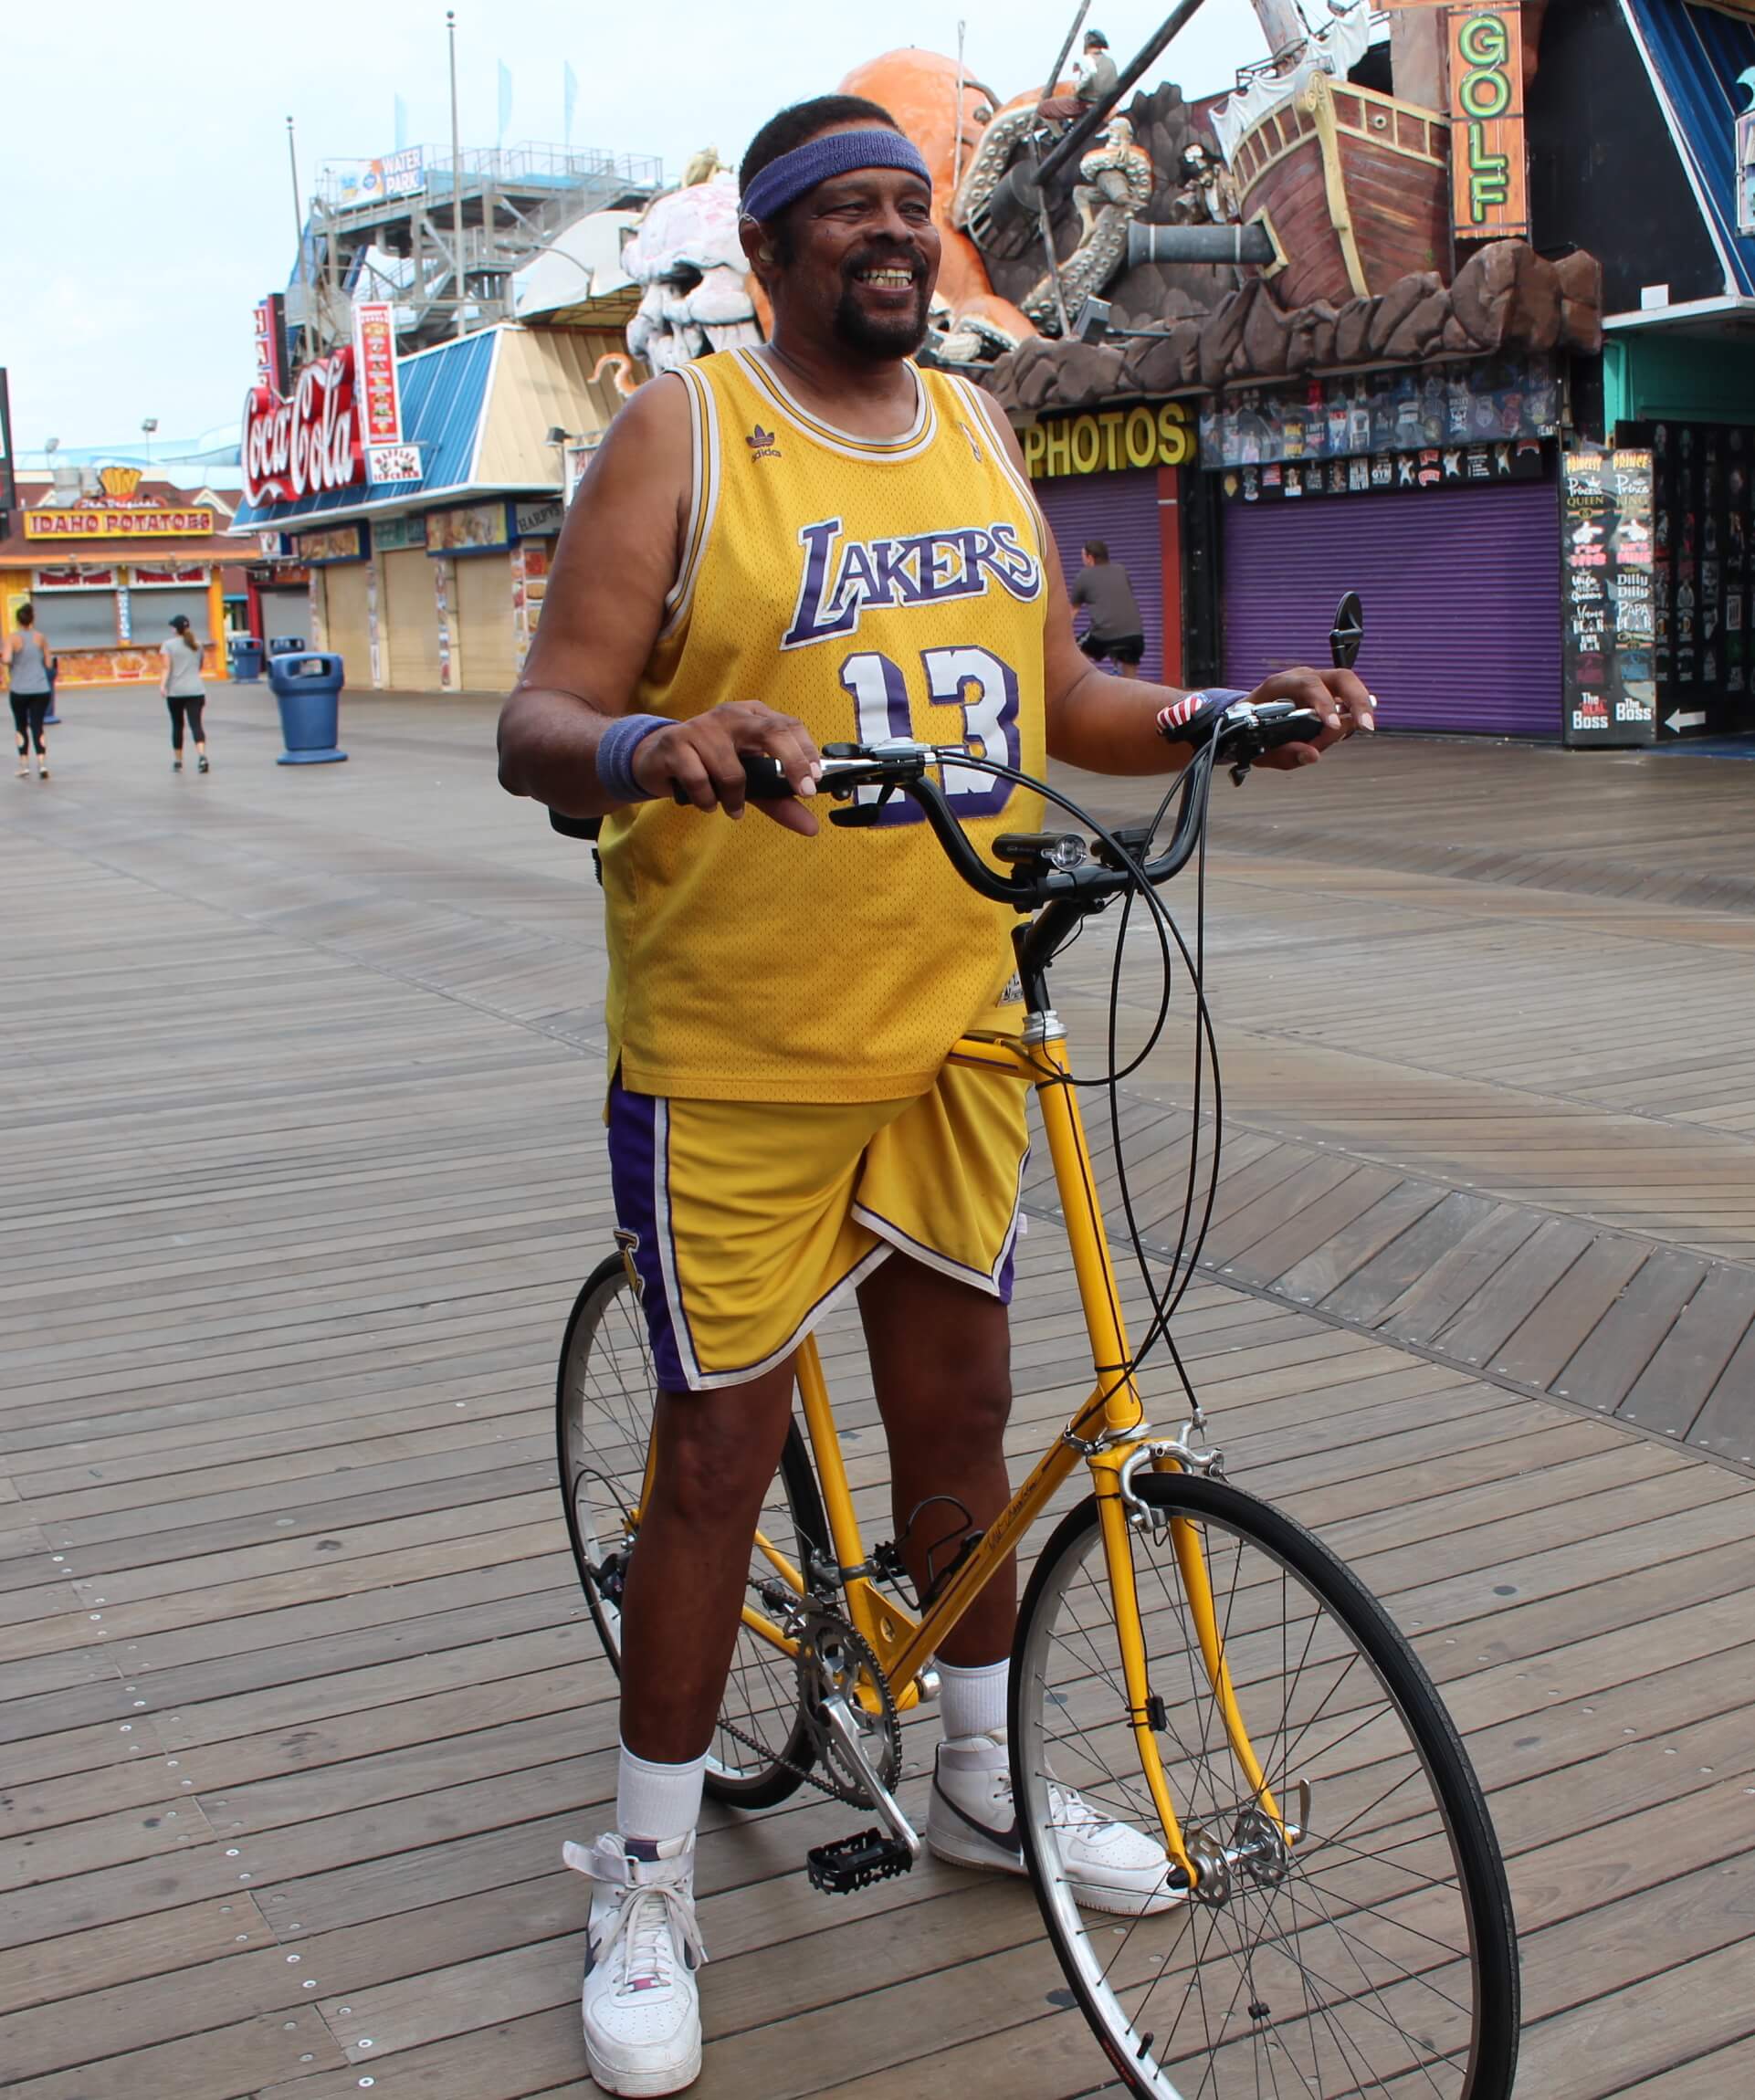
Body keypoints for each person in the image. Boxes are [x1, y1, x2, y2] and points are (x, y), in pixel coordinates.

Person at [497, 94, 1373, 2100]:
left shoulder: (979, 429)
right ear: (778, 248)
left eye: (913, 206)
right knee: (713, 1467)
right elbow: (539, 723)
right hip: (734, 1050)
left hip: (958, 1021)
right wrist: (654, 745)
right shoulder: (685, 435)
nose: (892, 234)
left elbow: (1060, 693)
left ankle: (981, 1781)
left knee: (966, 1425)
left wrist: (1220, 713)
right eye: (849, 211)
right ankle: (645, 1873)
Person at [1069, 539, 1147, 677]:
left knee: (1073, 652)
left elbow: (1072, 612)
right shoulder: (1121, 570)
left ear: (1090, 557)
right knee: (1131, 680)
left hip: (1104, 634)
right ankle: (1131, 693)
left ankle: (1083, 688)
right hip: (1135, 636)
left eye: (1083, 557)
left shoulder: (1084, 576)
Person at [6, 603, 55, 780]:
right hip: (41, 688)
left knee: (21, 726)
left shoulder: (12, 638)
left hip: (19, 689)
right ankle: (42, 764)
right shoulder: (41, 638)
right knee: (37, 725)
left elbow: (7, 659)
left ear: (18, 620)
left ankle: (24, 765)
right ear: (32, 619)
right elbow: (49, 664)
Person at [160, 614, 210, 772]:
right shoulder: (197, 644)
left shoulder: (168, 645)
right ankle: (202, 756)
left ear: (175, 629)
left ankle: (178, 761)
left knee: (177, 725)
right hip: (196, 690)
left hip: (175, 692)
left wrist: (162, 686)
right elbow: (199, 666)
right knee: (196, 724)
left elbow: (166, 668)